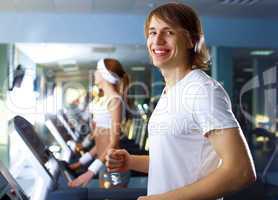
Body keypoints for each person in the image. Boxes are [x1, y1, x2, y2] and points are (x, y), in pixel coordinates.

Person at [106, 3, 256, 200]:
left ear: (190, 40)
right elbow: (177, 162)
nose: (157, 40)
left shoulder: (202, 91)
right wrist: (130, 161)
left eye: (168, 32)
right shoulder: (170, 92)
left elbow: (241, 171)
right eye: (152, 32)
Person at [68, 58, 130, 188]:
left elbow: (113, 143)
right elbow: (100, 143)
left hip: (114, 166)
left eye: (97, 70)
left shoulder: (115, 101)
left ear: (104, 74)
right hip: (103, 163)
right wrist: (80, 162)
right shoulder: (103, 101)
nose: (95, 73)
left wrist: (90, 171)